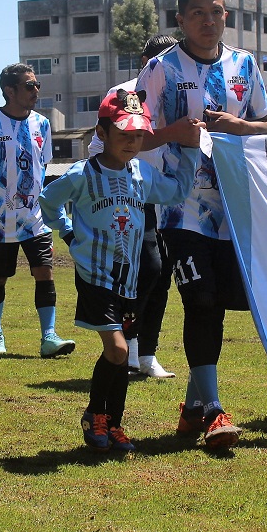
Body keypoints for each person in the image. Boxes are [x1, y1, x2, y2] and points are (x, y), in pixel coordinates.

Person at [136, 0, 267, 448]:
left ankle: (194, 408)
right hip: (181, 207)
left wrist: (240, 126)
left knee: (227, 302)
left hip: (236, 206)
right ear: (180, 19)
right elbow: (130, 137)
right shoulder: (160, 70)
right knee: (202, 299)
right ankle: (213, 409)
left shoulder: (244, 65)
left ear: (225, 15)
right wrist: (173, 131)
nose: (207, 20)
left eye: (215, 11)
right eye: (197, 13)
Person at [40, 90, 198, 453]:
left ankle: (113, 423)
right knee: (116, 349)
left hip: (130, 279)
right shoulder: (81, 174)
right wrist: (65, 231)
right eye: (124, 133)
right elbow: (48, 201)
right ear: (102, 131)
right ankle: (95, 414)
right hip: (95, 276)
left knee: (122, 354)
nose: (132, 141)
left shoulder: (142, 172)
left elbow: (177, 192)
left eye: (138, 134)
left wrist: (190, 150)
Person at [88, 33, 180, 379]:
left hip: (174, 198)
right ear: (147, 63)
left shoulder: (184, 92)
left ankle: (147, 353)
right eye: (161, 61)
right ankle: (126, 344)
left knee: (161, 276)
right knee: (142, 272)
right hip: (131, 198)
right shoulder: (125, 94)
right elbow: (98, 147)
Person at [0, 63, 75, 358]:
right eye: (29, 86)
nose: (35, 91)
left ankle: (49, 336)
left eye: (37, 85)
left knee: (45, 273)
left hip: (34, 218)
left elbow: (42, 169)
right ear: (9, 91)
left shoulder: (43, 124)